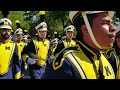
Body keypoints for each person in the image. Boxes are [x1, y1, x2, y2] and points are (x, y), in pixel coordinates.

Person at [42, 11, 116, 79]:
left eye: (111, 23)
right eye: (105, 23)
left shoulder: (104, 59)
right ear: (86, 29)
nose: (113, 28)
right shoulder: (66, 64)